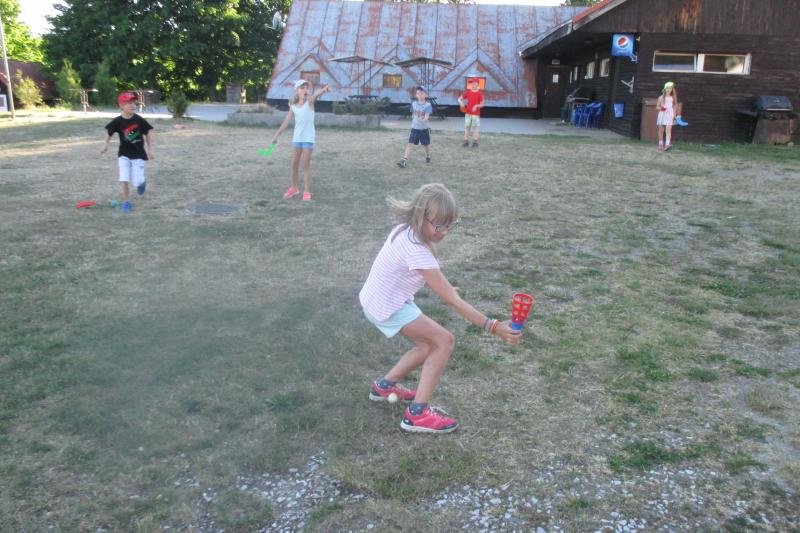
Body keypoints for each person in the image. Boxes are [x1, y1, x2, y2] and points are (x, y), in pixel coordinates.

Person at [359, 183, 521, 434]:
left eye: (449, 225)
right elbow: (452, 301)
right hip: (388, 306)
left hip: (377, 298)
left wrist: (445, 287)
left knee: (427, 345)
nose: (444, 232)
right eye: (439, 225)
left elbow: (412, 272)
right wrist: (494, 326)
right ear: (420, 215)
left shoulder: (404, 230)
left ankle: (383, 387)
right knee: (444, 341)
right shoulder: (416, 250)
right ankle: (417, 415)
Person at [270, 79, 330, 201]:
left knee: (305, 165)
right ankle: (294, 188)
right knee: (294, 164)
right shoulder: (293, 106)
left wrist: (323, 90)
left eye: (307, 88)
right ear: (297, 91)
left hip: (308, 138)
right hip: (297, 138)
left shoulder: (310, 102)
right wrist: (276, 135)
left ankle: (306, 191)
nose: (305, 90)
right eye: (302, 88)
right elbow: (286, 122)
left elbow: (315, 95)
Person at [101, 91, 154, 213]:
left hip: (138, 155)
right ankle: (126, 202)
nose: (133, 105)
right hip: (123, 155)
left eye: (134, 103)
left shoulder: (139, 120)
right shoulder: (117, 121)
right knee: (124, 178)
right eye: (129, 103)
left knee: (137, 181)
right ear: (121, 105)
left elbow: (148, 132)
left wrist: (150, 149)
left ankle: (141, 183)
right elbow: (109, 133)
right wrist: (105, 144)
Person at [397, 86, 432, 168]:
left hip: (423, 129)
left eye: (421, 93)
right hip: (414, 129)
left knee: (426, 145)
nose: (419, 95)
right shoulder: (413, 104)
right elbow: (413, 114)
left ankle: (428, 155)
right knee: (410, 144)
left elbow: (426, 117)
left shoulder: (428, 105)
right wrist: (414, 119)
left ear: (426, 95)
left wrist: (422, 120)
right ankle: (404, 160)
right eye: (418, 93)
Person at [656, 81, 684, 151]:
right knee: (661, 130)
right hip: (662, 115)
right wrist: (661, 108)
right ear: (665, 89)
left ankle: (667, 144)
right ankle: (660, 144)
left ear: (672, 90)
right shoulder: (661, 97)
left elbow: (674, 106)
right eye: (667, 88)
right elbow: (657, 107)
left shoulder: (672, 98)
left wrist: (675, 115)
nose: (669, 90)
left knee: (668, 130)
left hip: (669, 115)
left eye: (670, 88)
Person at [457, 77, 484, 147]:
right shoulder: (468, 92)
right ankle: (466, 141)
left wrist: (476, 106)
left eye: (475, 83)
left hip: (476, 114)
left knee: (475, 128)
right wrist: (461, 103)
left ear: (478, 84)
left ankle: (475, 142)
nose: (473, 84)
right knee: (467, 127)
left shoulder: (479, 94)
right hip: (468, 113)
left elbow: (482, 104)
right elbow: (459, 99)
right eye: (472, 83)